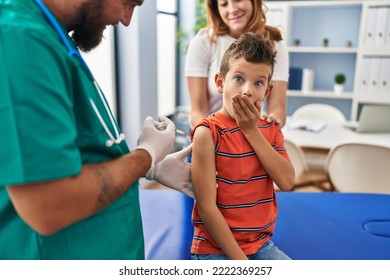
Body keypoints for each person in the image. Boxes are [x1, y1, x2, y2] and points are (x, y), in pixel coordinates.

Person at [0, 0, 192, 260]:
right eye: (129, 4)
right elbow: (48, 205)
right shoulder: (21, 40)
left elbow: (78, 155)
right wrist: (145, 155)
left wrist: (150, 167)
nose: (126, 20)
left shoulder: (53, 37)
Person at [190, 33, 295, 260]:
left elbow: (287, 182)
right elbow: (207, 207)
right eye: (239, 78)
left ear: (267, 91)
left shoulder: (271, 128)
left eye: (258, 82)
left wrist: (251, 130)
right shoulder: (207, 133)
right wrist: (241, 264)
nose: (248, 90)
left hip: (260, 245)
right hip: (214, 248)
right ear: (220, 82)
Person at [185, 0, 289, 128]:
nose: (232, 9)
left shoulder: (275, 45)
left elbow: (278, 109)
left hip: (251, 137)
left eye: (238, 0)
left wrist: (270, 125)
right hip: (210, 137)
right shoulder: (203, 42)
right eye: (224, 4)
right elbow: (197, 111)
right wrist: (217, 137)